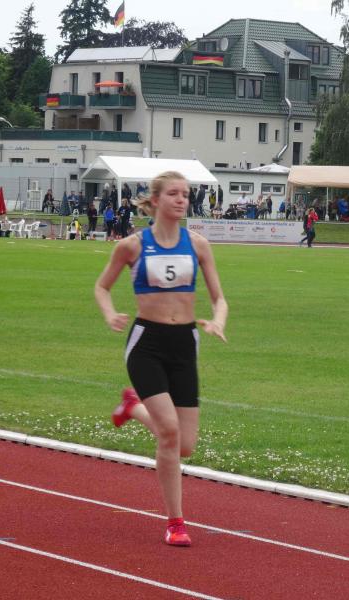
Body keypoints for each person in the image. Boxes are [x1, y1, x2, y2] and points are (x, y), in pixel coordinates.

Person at [94, 170, 228, 547]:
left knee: (185, 446)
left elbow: (219, 298)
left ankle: (132, 407)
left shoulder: (198, 244)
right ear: (155, 200)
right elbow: (102, 287)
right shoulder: (132, 246)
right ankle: (176, 522)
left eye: (186, 194)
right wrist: (109, 314)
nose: (182, 199)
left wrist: (218, 320)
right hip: (147, 344)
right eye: (173, 194)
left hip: (184, 343)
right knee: (168, 432)